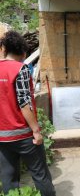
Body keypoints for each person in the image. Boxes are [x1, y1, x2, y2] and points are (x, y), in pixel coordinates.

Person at [0, 31, 56, 196]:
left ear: (5, 49)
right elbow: (24, 102)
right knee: (40, 175)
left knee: (8, 178)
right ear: (23, 52)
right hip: (24, 135)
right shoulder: (21, 68)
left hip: (2, 136)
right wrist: (36, 131)